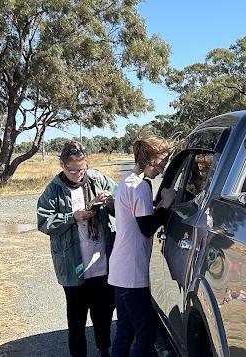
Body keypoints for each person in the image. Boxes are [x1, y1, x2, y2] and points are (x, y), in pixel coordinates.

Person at [37, 141, 117, 357]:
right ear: (62, 164)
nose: (77, 174)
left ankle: (104, 349)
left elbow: (122, 204)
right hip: (74, 267)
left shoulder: (98, 179)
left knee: (103, 315)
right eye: (72, 169)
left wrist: (109, 201)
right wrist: (71, 217)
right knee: (77, 320)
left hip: (102, 263)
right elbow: (43, 222)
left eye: (81, 169)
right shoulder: (54, 189)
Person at [108, 129, 176, 357]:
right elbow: (146, 227)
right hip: (132, 271)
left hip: (120, 268)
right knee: (145, 334)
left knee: (125, 331)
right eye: (163, 161)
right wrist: (166, 203)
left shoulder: (128, 181)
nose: (164, 167)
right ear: (152, 159)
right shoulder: (140, 186)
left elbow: (140, 218)